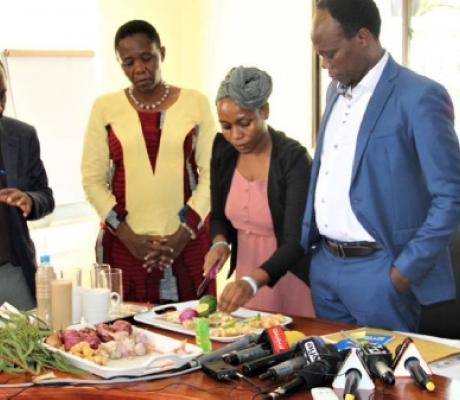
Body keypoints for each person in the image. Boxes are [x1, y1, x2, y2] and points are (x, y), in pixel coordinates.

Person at [301, 0, 460, 331]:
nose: (324, 64)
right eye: (320, 54)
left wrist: (403, 272)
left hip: (380, 271)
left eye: (330, 53)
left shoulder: (419, 96)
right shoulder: (333, 91)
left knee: (387, 379)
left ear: (363, 38)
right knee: (335, 376)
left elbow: (451, 195)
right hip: (326, 267)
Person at [82, 20, 216, 303]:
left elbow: (211, 175)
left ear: (161, 53)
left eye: (146, 57)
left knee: (194, 333)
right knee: (129, 335)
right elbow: (92, 180)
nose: (139, 69)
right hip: (125, 247)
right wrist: (128, 236)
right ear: (120, 65)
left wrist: (182, 234)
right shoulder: (105, 107)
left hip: (187, 245)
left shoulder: (196, 102)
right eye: (128, 62)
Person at [203, 66, 314, 317]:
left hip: (286, 274)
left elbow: (295, 242)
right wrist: (219, 243)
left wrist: (253, 281)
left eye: (245, 123)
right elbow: (219, 215)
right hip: (244, 281)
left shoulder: (293, 159)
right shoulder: (223, 150)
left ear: (264, 111)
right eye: (226, 126)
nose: (236, 136)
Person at [0, 60, 55, 309]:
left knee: (30, 344)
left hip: (12, 271)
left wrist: (29, 200)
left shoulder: (22, 136)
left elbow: (45, 196)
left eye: (1, 95)